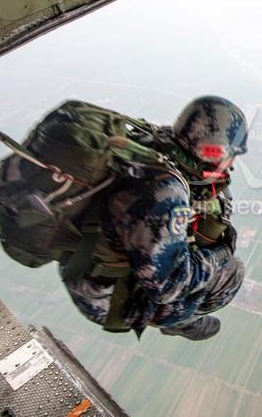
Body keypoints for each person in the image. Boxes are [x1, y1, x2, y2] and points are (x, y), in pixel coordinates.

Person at [61, 96, 248, 341]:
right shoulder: (165, 193)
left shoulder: (156, 144)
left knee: (219, 199)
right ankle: (182, 321)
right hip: (102, 296)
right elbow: (169, 287)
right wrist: (222, 252)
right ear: (213, 152)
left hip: (87, 259)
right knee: (232, 273)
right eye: (231, 154)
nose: (233, 162)